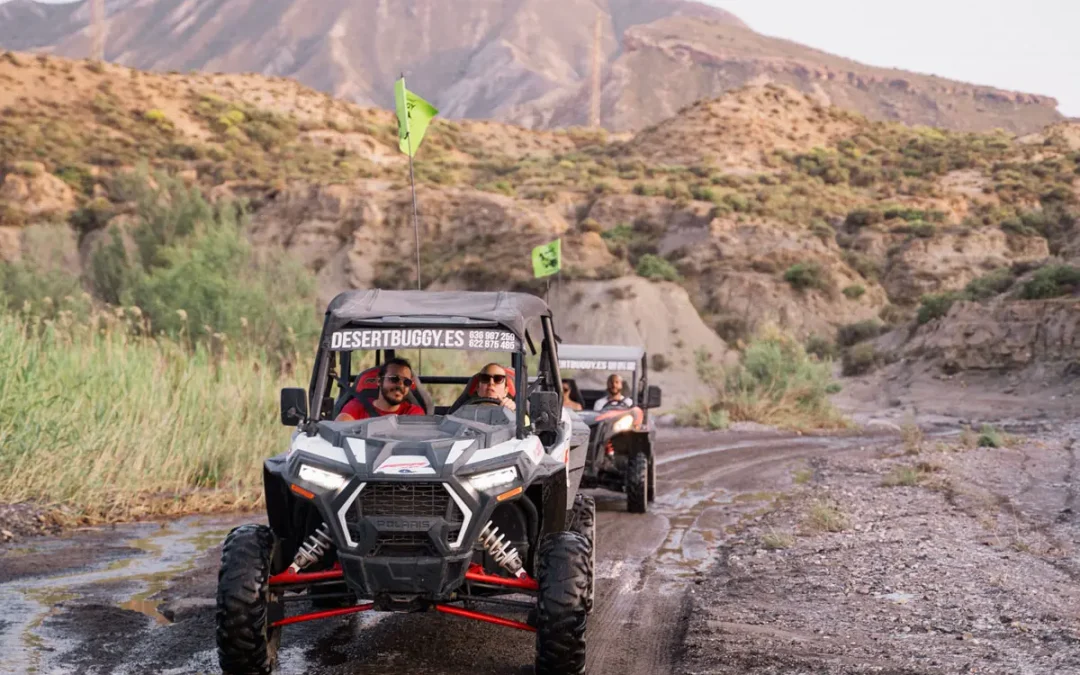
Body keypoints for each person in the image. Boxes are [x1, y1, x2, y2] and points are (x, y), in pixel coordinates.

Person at [336, 357, 425, 421]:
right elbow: (340, 429)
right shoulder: (356, 406)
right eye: (394, 379)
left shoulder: (413, 412)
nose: (401, 385)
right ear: (379, 380)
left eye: (407, 382)